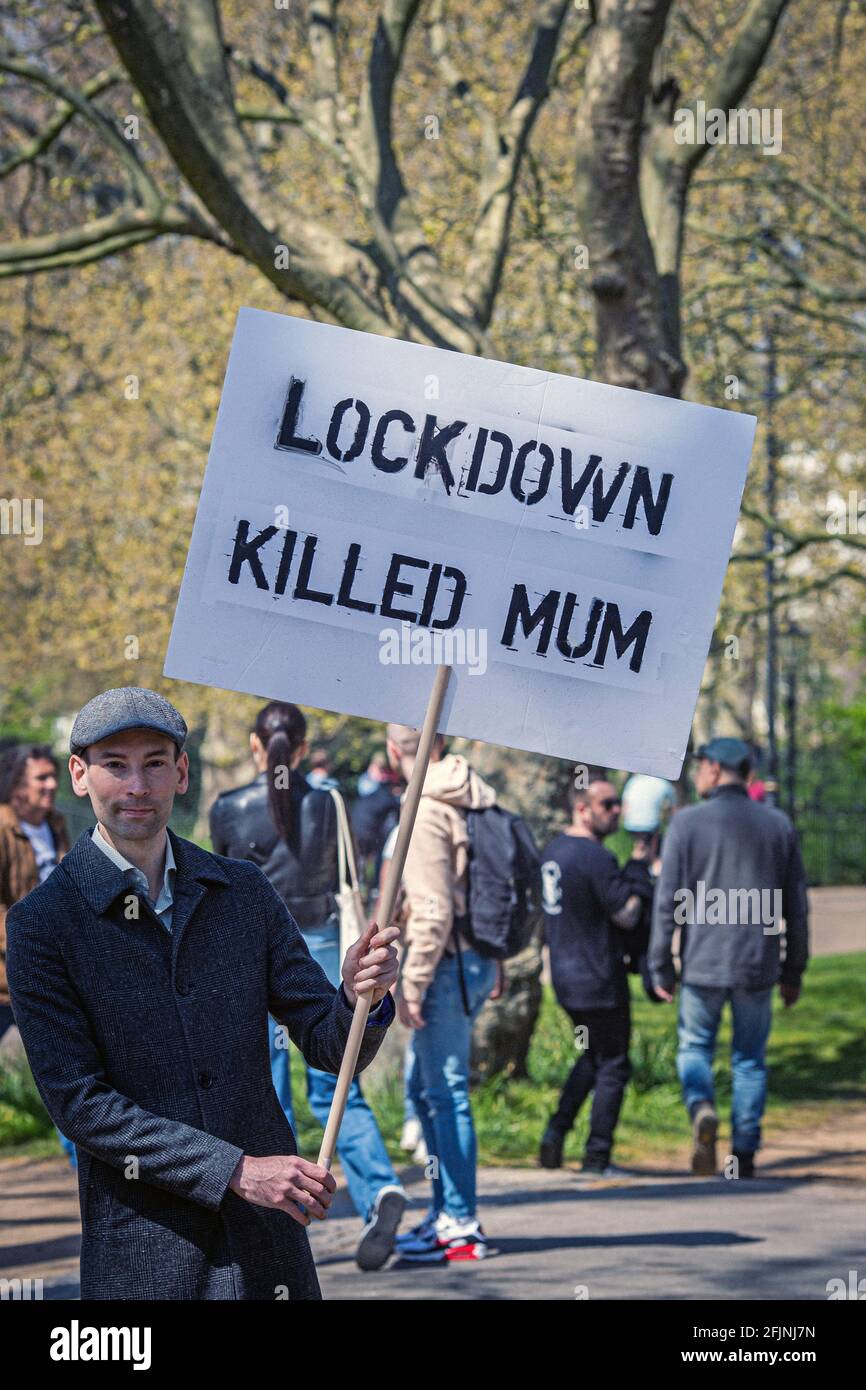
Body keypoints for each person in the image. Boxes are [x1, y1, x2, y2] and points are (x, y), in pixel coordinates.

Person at [6, 686, 398, 1300]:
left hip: (267, 1252)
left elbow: (326, 1042)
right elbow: (80, 1104)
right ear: (79, 776)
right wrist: (235, 1171)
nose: (137, 785)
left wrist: (358, 999)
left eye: (155, 763)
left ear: (181, 771)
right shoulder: (41, 925)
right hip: (145, 1255)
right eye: (116, 765)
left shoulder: (242, 891)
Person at [209, 701, 406, 1271]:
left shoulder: (228, 809)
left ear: (255, 746)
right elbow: (354, 873)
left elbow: (219, 891)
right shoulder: (330, 802)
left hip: (257, 951)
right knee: (339, 1077)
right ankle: (380, 1186)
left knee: (272, 1089)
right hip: (324, 942)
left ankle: (282, 1213)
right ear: (300, 747)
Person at [649, 737, 810, 1178]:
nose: (698, 773)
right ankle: (744, 1153)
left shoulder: (685, 825)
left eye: (700, 766)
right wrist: (794, 969)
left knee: (695, 1046)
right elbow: (796, 906)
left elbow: (667, 903)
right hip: (757, 964)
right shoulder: (778, 826)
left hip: (703, 964)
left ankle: (701, 1107)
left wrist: (660, 964)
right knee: (749, 1059)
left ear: (716, 771)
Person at [386, 724, 498, 1263]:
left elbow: (433, 910)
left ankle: (461, 1224)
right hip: (470, 959)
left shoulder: (426, 808)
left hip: (444, 966)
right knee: (431, 1092)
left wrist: (411, 985)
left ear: (393, 752)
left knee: (446, 1094)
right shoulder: (471, 793)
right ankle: (447, 1213)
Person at [538, 775, 654, 1174]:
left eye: (618, 803)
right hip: (598, 979)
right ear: (583, 809)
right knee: (615, 1064)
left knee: (594, 1056)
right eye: (608, 805)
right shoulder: (595, 857)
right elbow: (628, 913)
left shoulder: (554, 850)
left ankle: (555, 1133)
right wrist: (639, 869)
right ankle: (597, 1157)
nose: (617, 811)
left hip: (567, 979)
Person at [0, 744, 76, 1166]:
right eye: (41, 779)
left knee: (67, 1075)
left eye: (53, 777)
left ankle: (88, 1169)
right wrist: (30, 940)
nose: (51, 786)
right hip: (8, 978)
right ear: (16, 785)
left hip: (53, 973)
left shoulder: (56, 824)